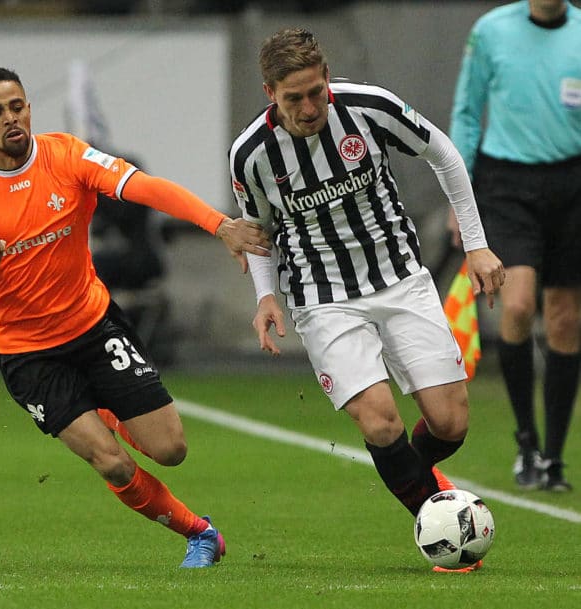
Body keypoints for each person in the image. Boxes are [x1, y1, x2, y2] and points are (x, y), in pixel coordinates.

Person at [0, 65, 271, 568]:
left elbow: (146, 188)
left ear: (29, 109)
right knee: (111, 462)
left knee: (171, 449)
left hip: (93, 326)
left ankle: (102, 408)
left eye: (17, 107)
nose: (10, 119)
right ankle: (200, 534)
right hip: (27, 354)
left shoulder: (66, 155)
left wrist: (219, 225)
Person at [229, 28, 504, 572]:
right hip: (322, 298)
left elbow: (444, 154)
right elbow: (257, 230)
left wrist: (476, 245)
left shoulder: (370, 107)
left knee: (450, 423)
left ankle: (404, 474)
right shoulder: (250, 155)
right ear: (269, 93)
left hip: (400, 278)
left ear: (327, 78)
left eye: (317, 91)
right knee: (380, 424)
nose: (310, 107)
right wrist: (266, 297)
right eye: (294, 98)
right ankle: (440, 529)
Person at [449, 0, 581, 492]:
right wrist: (459, 200)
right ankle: (525, 440)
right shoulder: (491, 31)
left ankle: (553, 457)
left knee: (567, 317)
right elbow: (465, 111)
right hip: (506, 181)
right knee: (519, 304)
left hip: (571, 181)